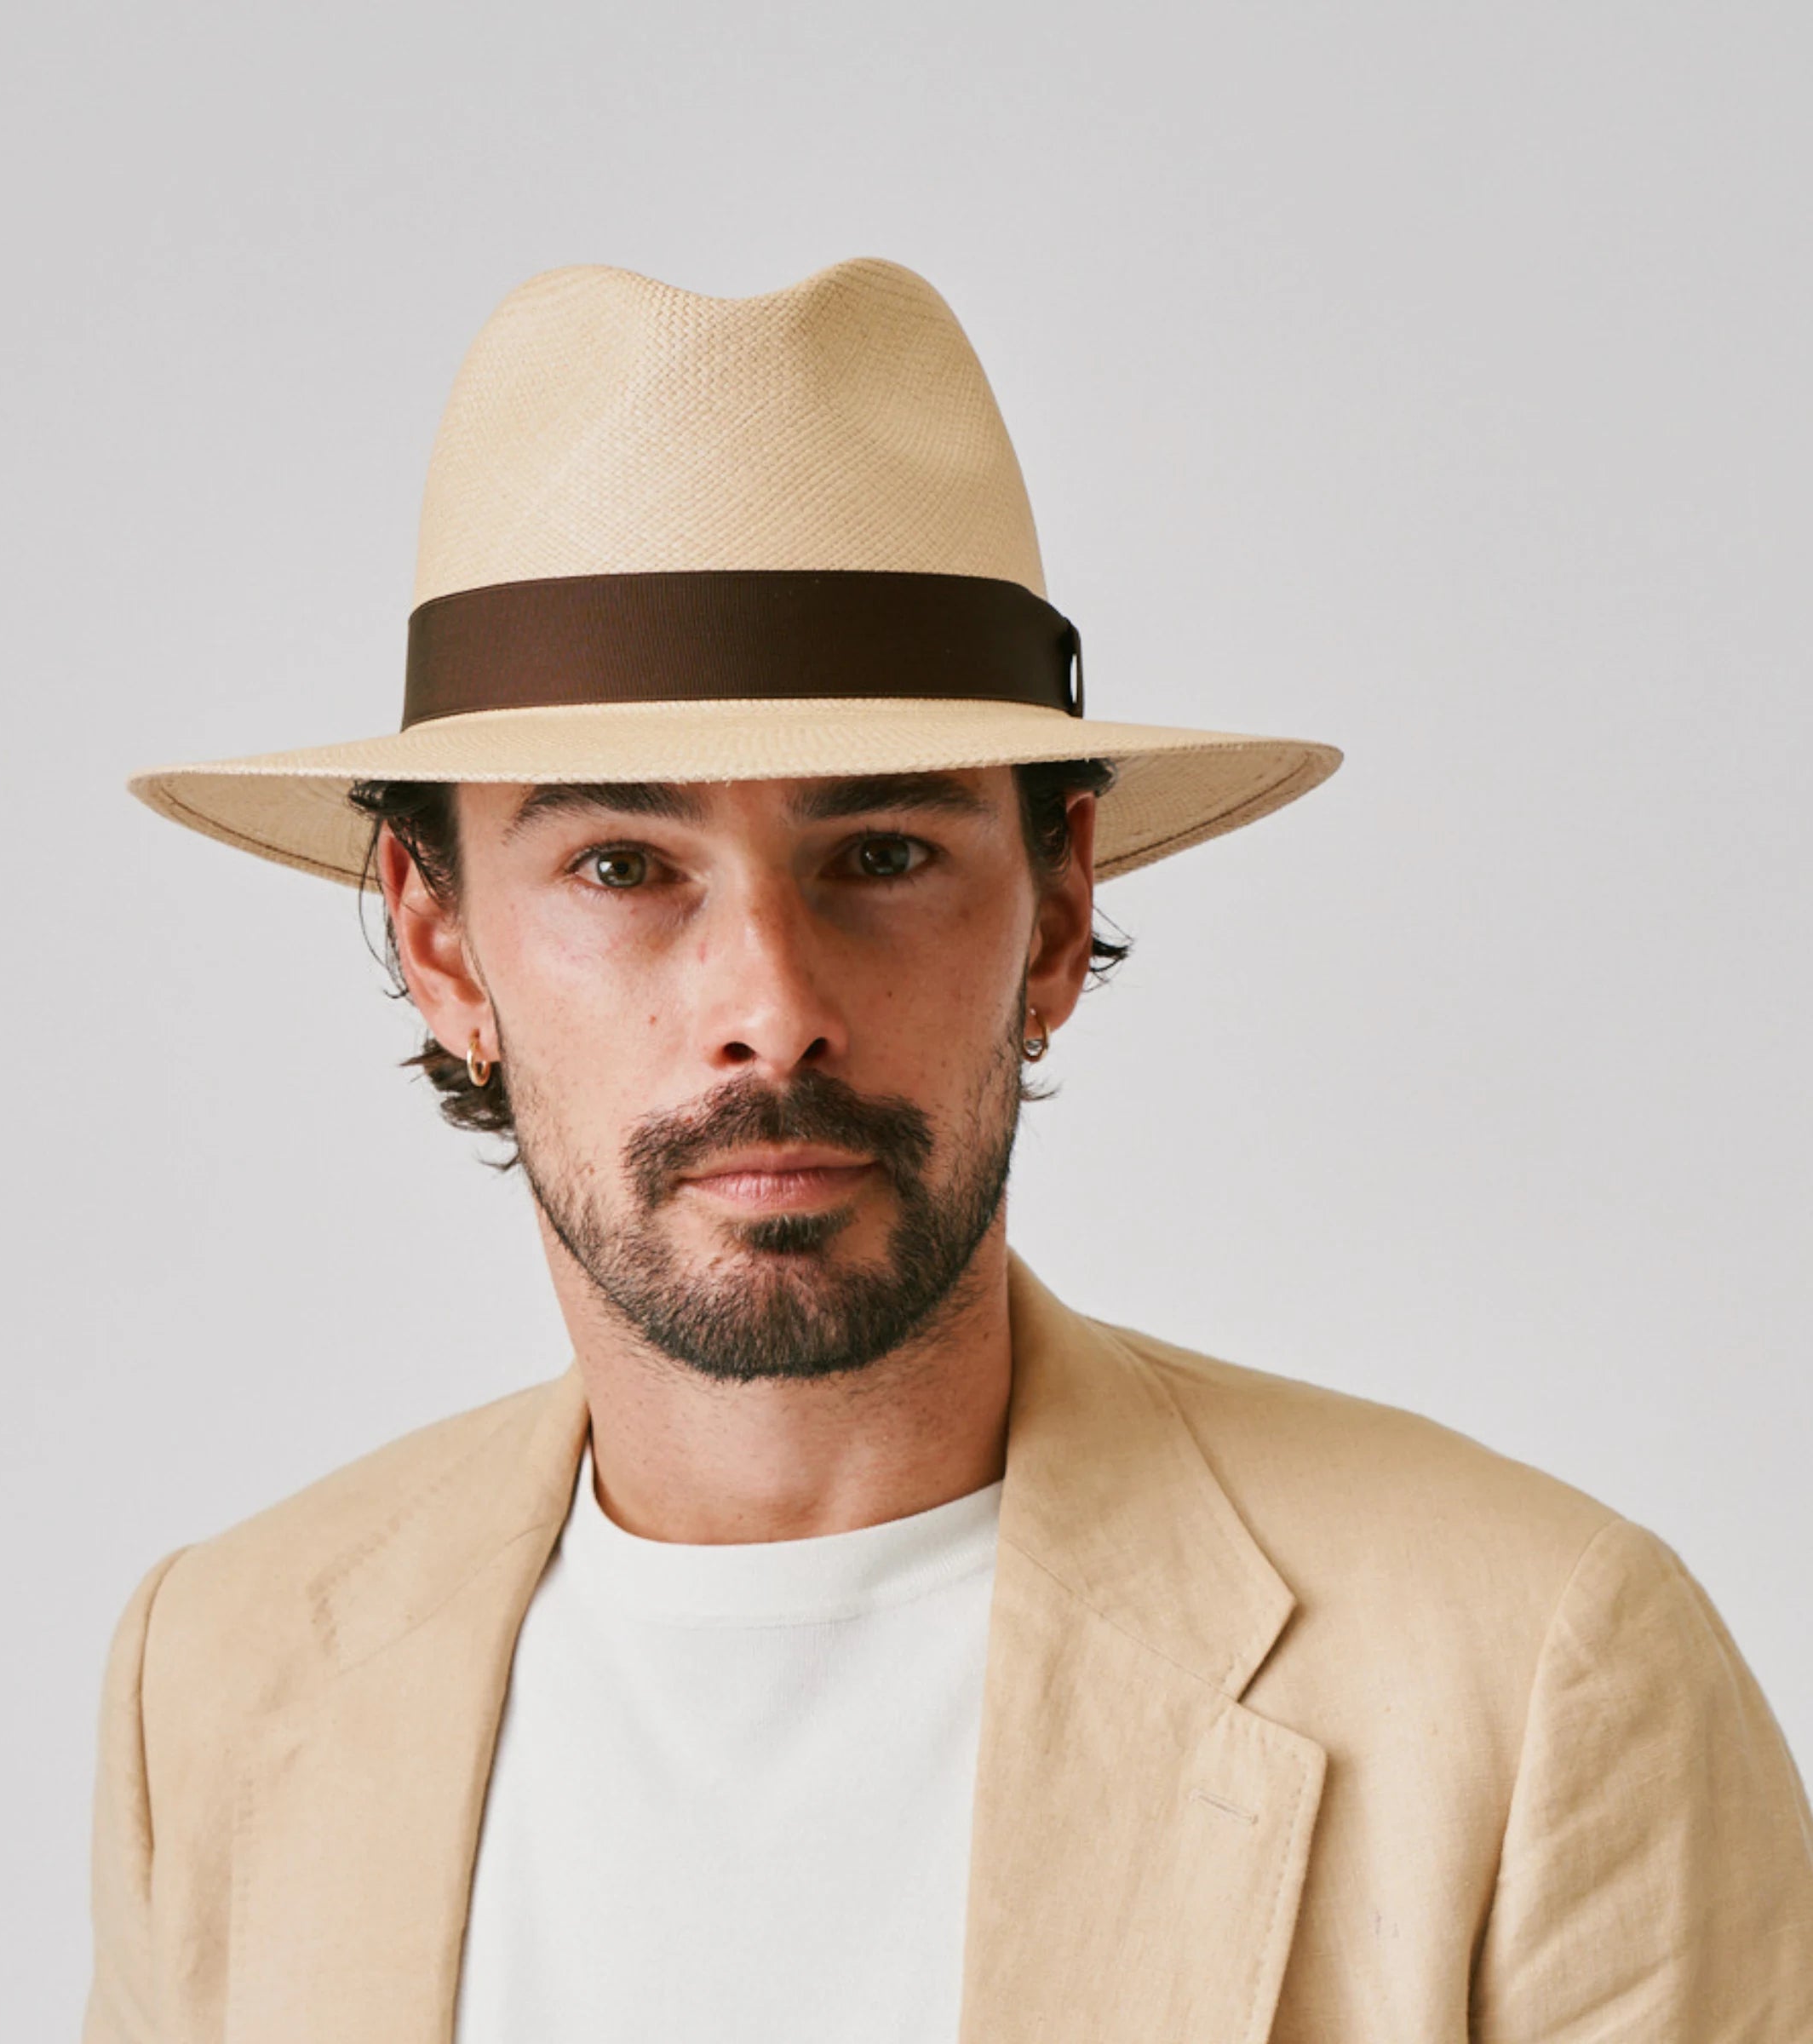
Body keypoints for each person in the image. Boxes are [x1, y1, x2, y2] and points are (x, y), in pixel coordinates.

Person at [91, 257, 1811, 2044]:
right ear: (444, 942)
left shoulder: (1532, 1679)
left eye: (885, 854)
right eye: (622, 865)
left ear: (1059, 908)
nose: (770, 1005)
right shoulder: (221, 1677)